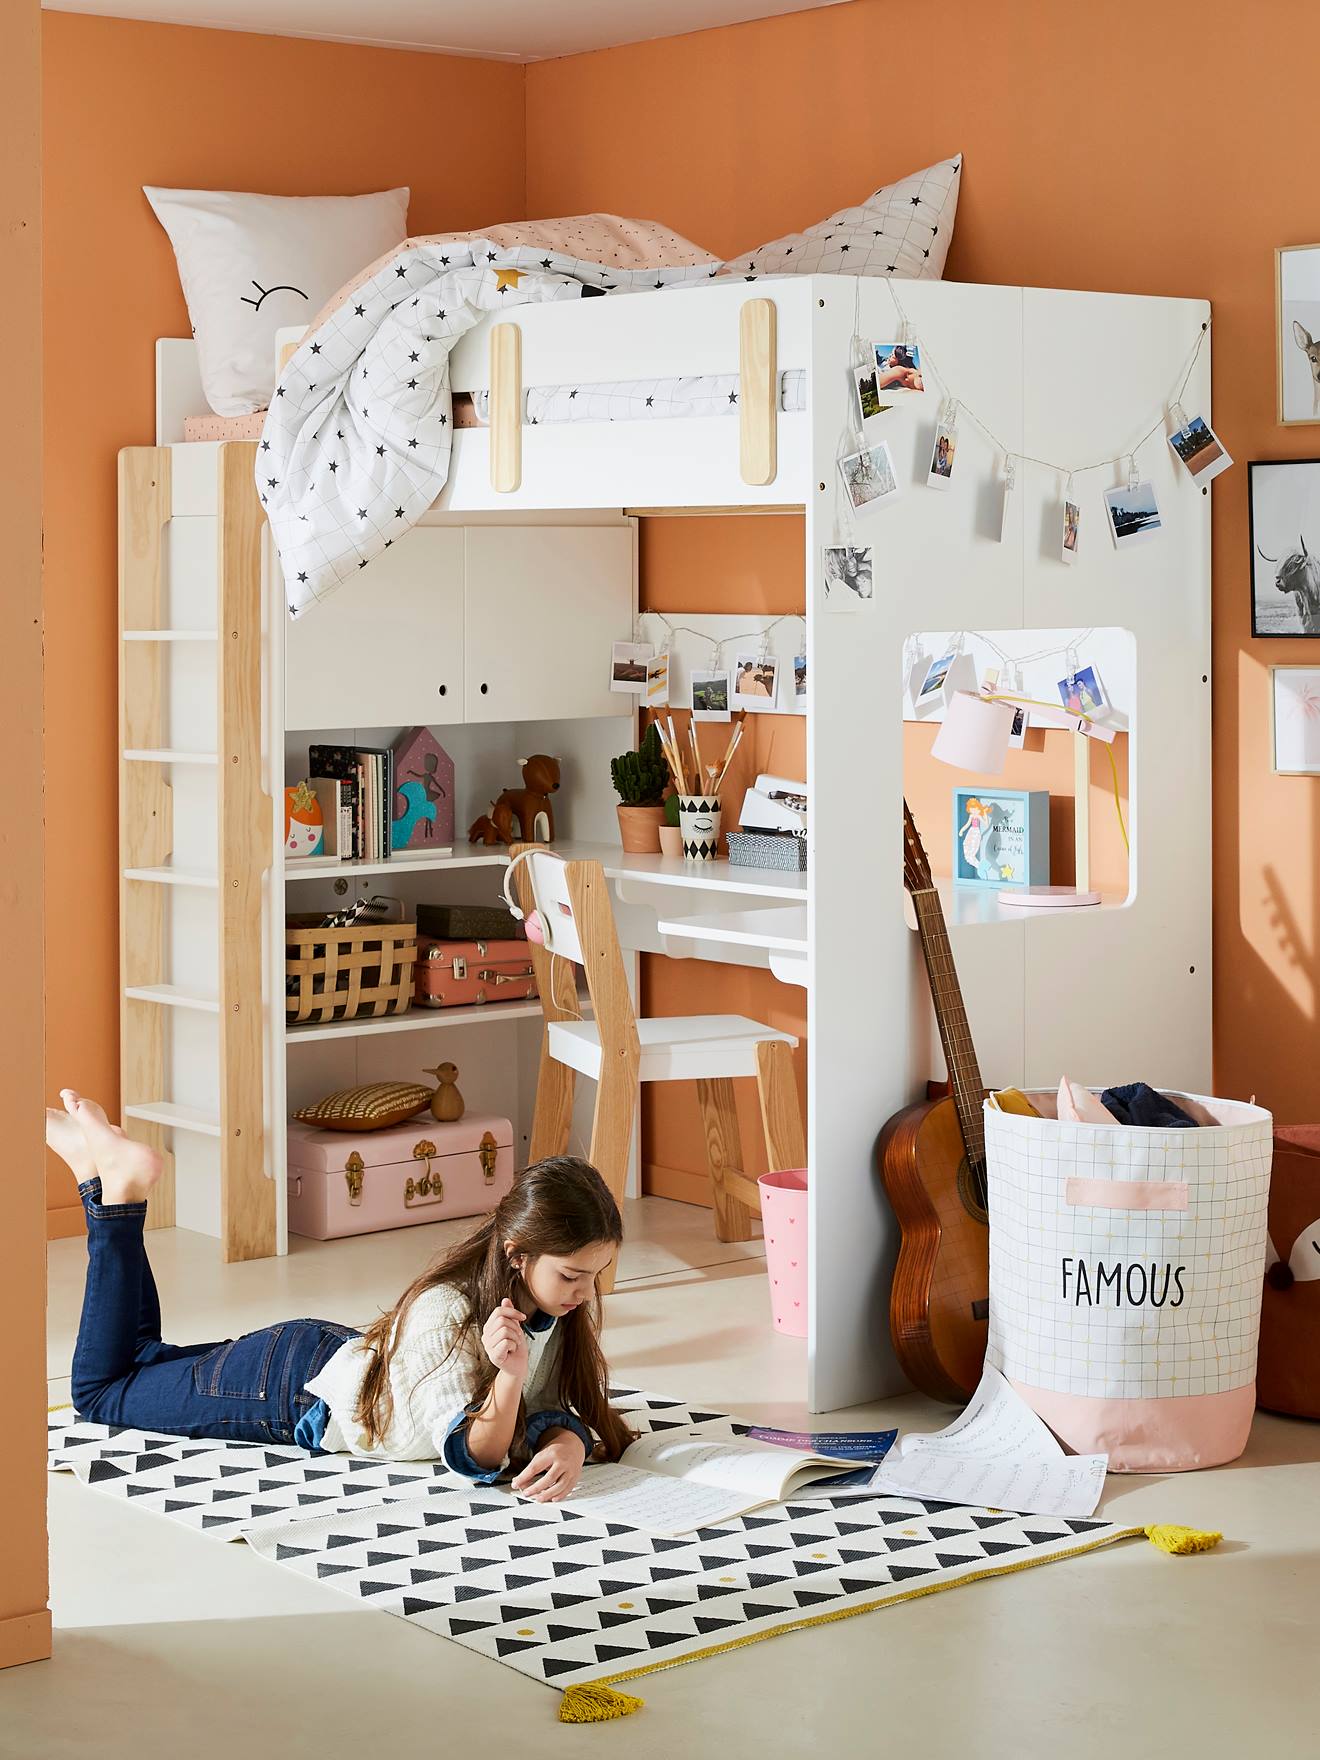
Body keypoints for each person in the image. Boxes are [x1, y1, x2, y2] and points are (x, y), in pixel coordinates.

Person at [48, 1090, 631, 1503]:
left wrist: (568, 1442)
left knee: (141, 1361)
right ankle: (117, 1192)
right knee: (101, 1392)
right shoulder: (447, 1312)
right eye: (572, 1275)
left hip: (324, 1357)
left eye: (596, 1274)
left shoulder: (547, 1306)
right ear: (517, 1253)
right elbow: (473, 1456)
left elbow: (546, 1408)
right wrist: (507, 1378)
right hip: (291, 1392)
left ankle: (95, 1171)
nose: (586, 1292)